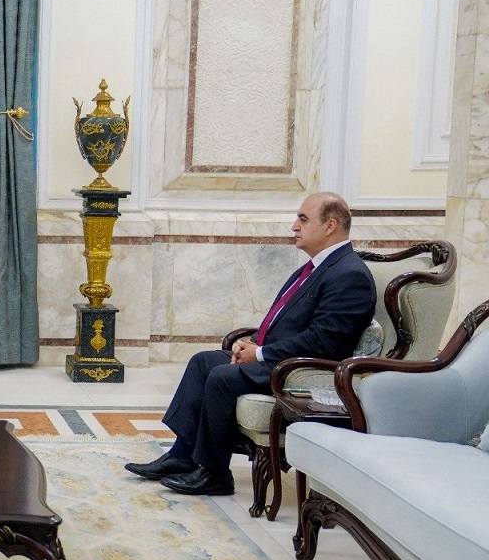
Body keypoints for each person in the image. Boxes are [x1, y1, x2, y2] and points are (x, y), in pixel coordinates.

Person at [125, 192, 376, 496]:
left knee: (222, 376)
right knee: (203, 361)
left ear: (330, 225)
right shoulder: (317, 267)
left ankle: (215, 473)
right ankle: (181, 456)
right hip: (280, 358)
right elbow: (286, 321)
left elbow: (325, 342)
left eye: (303, 219)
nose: (294, 226)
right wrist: (252, 345)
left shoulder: (349, 275)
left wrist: (261, 353)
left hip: (303, 371)